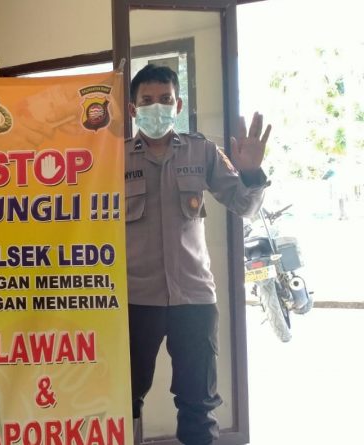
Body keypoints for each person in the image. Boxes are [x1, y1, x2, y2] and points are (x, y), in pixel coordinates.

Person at [125, 64, 271, 445]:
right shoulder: (114, 159)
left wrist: (251, 173)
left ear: (178, 105)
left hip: (194, 299)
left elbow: (244, 206)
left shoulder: (202, 150)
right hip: (134, 300)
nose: (156, 107)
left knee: (198, 407)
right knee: (123, 401)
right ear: (133, 109)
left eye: (165, 99)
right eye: (147, 101)